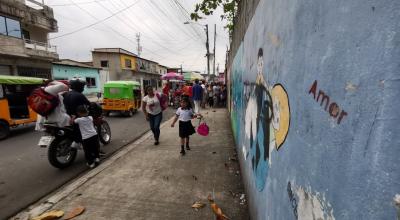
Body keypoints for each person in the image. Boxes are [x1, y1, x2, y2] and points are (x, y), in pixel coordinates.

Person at [63, 78, 91, 147]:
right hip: (76, 118)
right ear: (79, 86)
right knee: (90, 132)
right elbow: (89, 104)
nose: (83, 88)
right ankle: (93, 149)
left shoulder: (66, 94)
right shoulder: (80, 95)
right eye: (82, 86)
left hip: (68, 117)